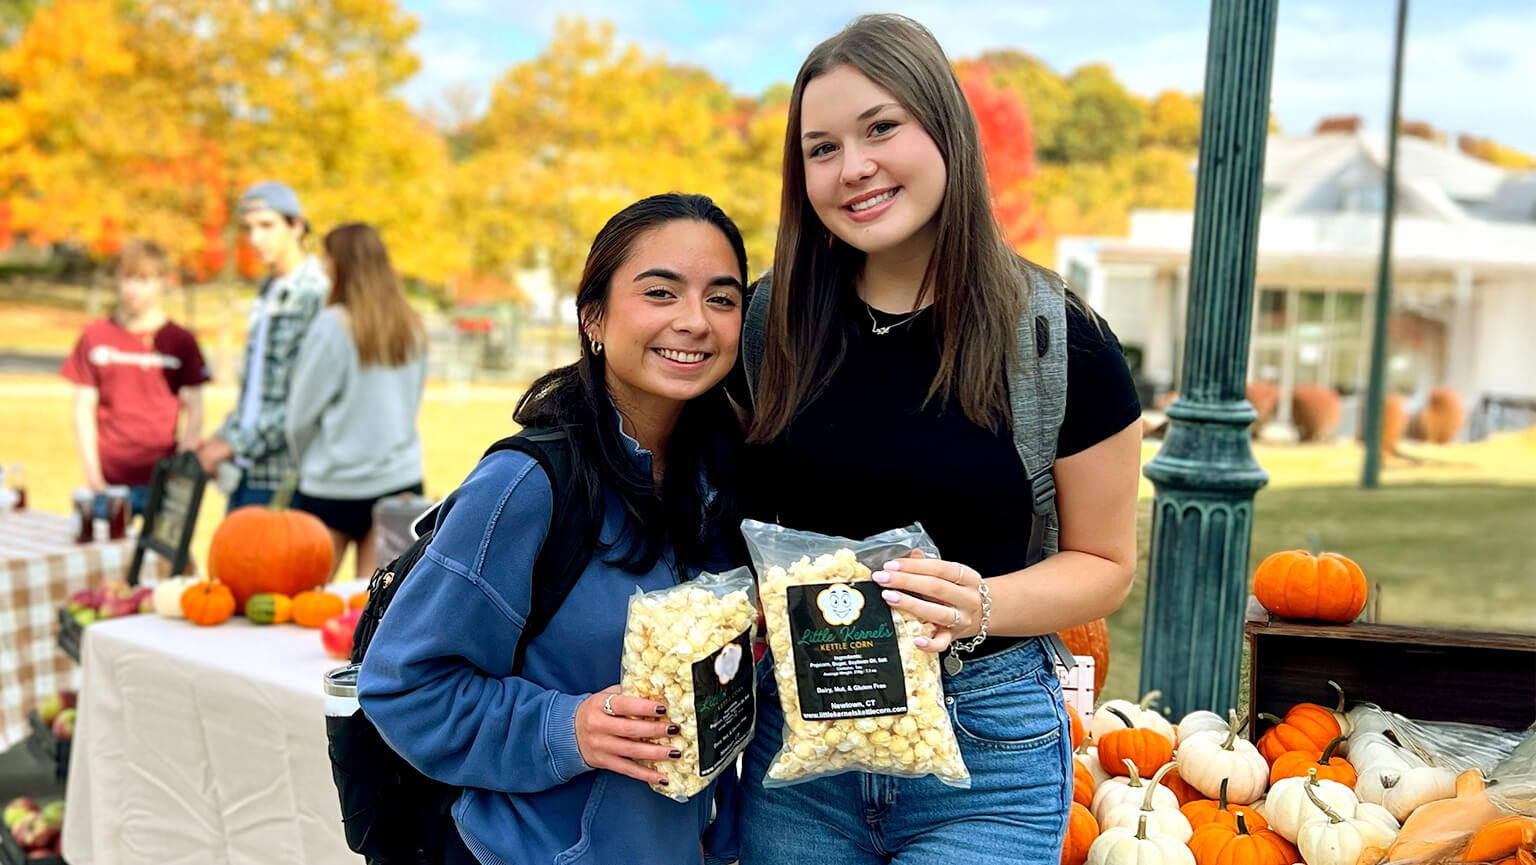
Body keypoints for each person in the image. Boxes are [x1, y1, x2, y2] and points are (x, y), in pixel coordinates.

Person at [732, 14, 1142, 864]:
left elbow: (1106, 566)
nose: (855, 167)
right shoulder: (771, 321)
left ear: (946, 127)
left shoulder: (1056, 339)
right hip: (803, 755)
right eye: (821, 148)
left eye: (882, 127)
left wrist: (979, 604)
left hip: (983, 749)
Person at [358, 193, 748, 865]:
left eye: (722, 298)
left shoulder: (718, 482)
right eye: (661, 292)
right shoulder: (526, 486)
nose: (694, 321)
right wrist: (568, 728)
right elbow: (402, 684)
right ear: (593, 317)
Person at [286, 223, 426, 580]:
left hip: (333, 484)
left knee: (304, 605)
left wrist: (306, 465)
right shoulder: (412, 326)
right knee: (377, 616)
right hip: (399, 481)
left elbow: (300, 417)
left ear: (342, 265)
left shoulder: (332, 326)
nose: (322, 266)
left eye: (326, 258)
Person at [196, 181, 330, 510]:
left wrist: (233, 444)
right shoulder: (267, 290)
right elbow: (256, 392)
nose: (255, 239)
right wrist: (222, 436)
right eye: (249, 229)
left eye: (267, 226)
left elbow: (305, 402)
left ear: (296, 226)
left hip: (287, 479)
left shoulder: (316, 293)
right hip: (245, 471)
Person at [62, 239, 209, 518]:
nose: (133, 289)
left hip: (162, 478)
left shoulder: (179, 340)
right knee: (106, 557)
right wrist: (93, 475)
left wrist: (180, 468)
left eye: (144, 280)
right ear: (116, 280)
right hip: (108, 481)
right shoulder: (96, 336)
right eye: (127, 278)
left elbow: (196, 410)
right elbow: (82, 409)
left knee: (169, 561)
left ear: (163, 283)